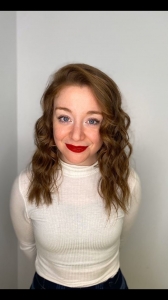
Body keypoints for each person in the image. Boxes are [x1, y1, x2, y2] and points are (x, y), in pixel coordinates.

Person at [9, 62, 141, 290]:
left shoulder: (127, 181)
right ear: (50, 121)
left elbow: (120, 241)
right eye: (64, 118)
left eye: (92, 120)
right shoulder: (26, 184)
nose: (76, 134)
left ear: (109, 126)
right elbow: (27, 246)